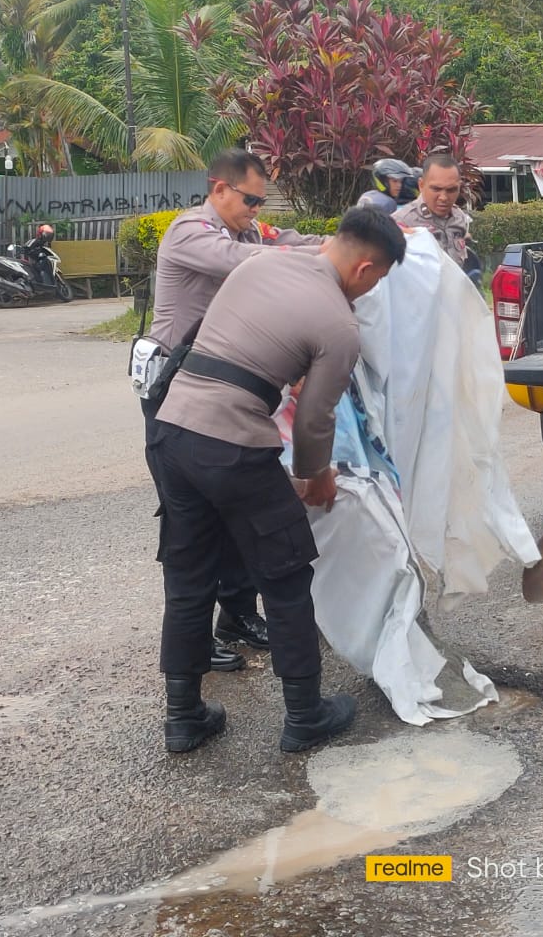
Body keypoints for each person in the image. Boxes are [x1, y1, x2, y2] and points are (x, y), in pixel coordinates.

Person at [148, 206, 406, 753]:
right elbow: (314, 419)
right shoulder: (339, 325)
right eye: (378, 278)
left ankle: (183, 717)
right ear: (365, 267)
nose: (371, 290)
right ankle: (306, 715)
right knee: (286, 578)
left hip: (171, 431)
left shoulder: (260, 265)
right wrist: (316, 477)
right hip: (234, 445)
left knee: (189, 578)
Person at [145, 148, 327, 671]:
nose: (255, 211)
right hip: (172, 390)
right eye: (250, 200)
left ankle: (238, 614)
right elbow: (247, 263)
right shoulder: (192, 232)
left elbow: (285, 241)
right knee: (189, 521)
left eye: (259, 202)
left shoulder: (246, 232)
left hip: (221, 386)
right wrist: (323, 259)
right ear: (218, 188)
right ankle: (195, 638)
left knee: (232, 510)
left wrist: (337, 244)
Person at [392, 154, 472, 269]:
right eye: (436, 189)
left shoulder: (458, 217)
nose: (443, 197)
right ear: (421, 185)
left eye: (451, 190)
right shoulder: (401, 222)